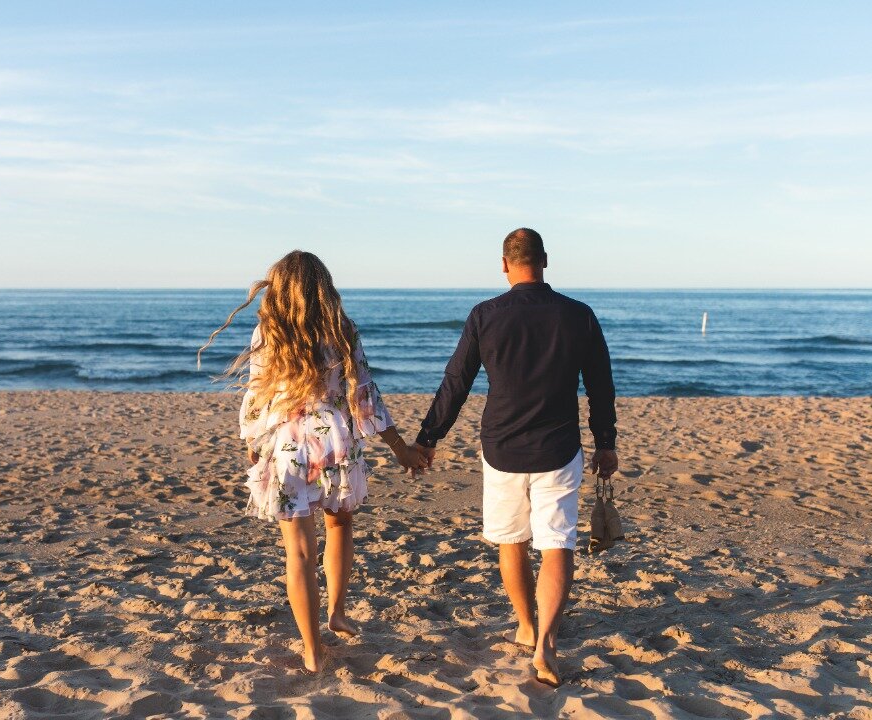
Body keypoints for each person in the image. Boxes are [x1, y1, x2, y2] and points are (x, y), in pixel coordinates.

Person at [198, 250, 428, 673]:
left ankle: (311, 647)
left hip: (286, 448)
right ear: (323, 286)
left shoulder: (270, 331)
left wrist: (252, 446)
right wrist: (399, 447)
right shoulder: (341, 329)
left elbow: (256, 396)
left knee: (299, 551)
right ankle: (337, 614)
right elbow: (364, 396)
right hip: (335, 445)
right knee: (339, 526)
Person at [413, 228, 619, 687]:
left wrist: (428, 438)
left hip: (502, 447)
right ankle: (545, 643)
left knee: (513, 542)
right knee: (557, 543)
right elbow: (600, 385)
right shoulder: (578, 315)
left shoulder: (485, 315)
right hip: (559, 447)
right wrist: (606, 441)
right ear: (545, 261)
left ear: (504, 264)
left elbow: (456, 382)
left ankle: (526, 625)